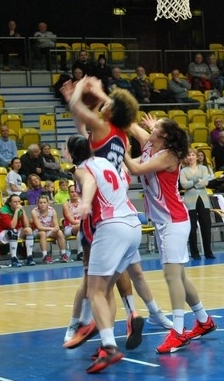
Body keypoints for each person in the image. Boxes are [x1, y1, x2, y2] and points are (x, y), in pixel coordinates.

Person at [59, 76, 172, 352]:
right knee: (127, 272)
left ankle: (88, 326)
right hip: (124, 205)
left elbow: (80, 113)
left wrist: (80, 95)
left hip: (101, 211)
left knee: (93, 280)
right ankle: (133, 315)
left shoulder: (100, 130)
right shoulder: (122, 137)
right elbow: (115, 113)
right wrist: (100, 95)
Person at [125, 116, 217, 354]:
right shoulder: (150, 144)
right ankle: (204, 321)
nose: (150, 127)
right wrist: (105, 103)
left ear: (164, 135)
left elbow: (135, 168)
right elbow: (130, 124)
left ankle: (178, 332)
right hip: (163, 221)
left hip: (173, 220)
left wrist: (120, 151)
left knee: (171, 276)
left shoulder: (168, 156)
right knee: (180, 277)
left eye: (156, 127)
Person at [66, 135, 142, 373]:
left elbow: (88, 181)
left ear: (71, 153)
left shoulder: (81, 169)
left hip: (111, 227)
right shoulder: (107, 162)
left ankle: (109, 347)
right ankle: (105, 340)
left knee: (94, 289)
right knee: (106, 288)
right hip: (134, 226)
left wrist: (86, 202)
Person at [180, 148, 214, 260]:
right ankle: (195, 253)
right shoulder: (183, 171)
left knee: (206, 226)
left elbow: (205, 181)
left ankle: (208, 252)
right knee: (192, 227)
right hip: (190, 201)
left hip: (203, 199)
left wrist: (193, 184)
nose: (190, 157)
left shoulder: (203, 168)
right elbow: (184, 185)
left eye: (193, 155)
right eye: (188, 155)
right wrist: (195, 181)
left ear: (196, 157)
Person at [0, 194, 35, 267]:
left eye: (19, 202)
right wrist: (16, 212)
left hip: (15, 231)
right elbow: (11, 226)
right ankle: (14, 258)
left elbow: (26, 225)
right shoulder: (4, 210)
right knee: (13, 231)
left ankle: (29, 257)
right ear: (10, 203)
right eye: (15, 202)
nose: (17, 204)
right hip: (2, 233)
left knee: (29, 230)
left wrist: (23, 211)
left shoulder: (20, 210)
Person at [32, 195, 68, 263]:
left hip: (49, 231)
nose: (43, 204)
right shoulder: (34, 211)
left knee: (59, 232)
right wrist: (51, 229)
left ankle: (63, 254)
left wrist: (56, 228)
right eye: (41, 203)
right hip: (38, 231)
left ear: (48, 203)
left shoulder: (52, 210)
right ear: (37, 204)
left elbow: (56, 224)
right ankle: (45, 256)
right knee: (43, 234)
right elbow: (39, 227)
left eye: (44, 202)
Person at [61, 183, 84, 260]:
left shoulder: (83, 202)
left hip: (81, 227)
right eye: (72, 192)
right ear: (68, 193)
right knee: (81, 227)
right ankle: (80, 252)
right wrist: (84, 223)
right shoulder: (66, 205)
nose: (74, 193)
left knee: (81, 229)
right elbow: (72, 221)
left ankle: (82, 253)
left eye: (75, 191)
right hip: (69, 228)